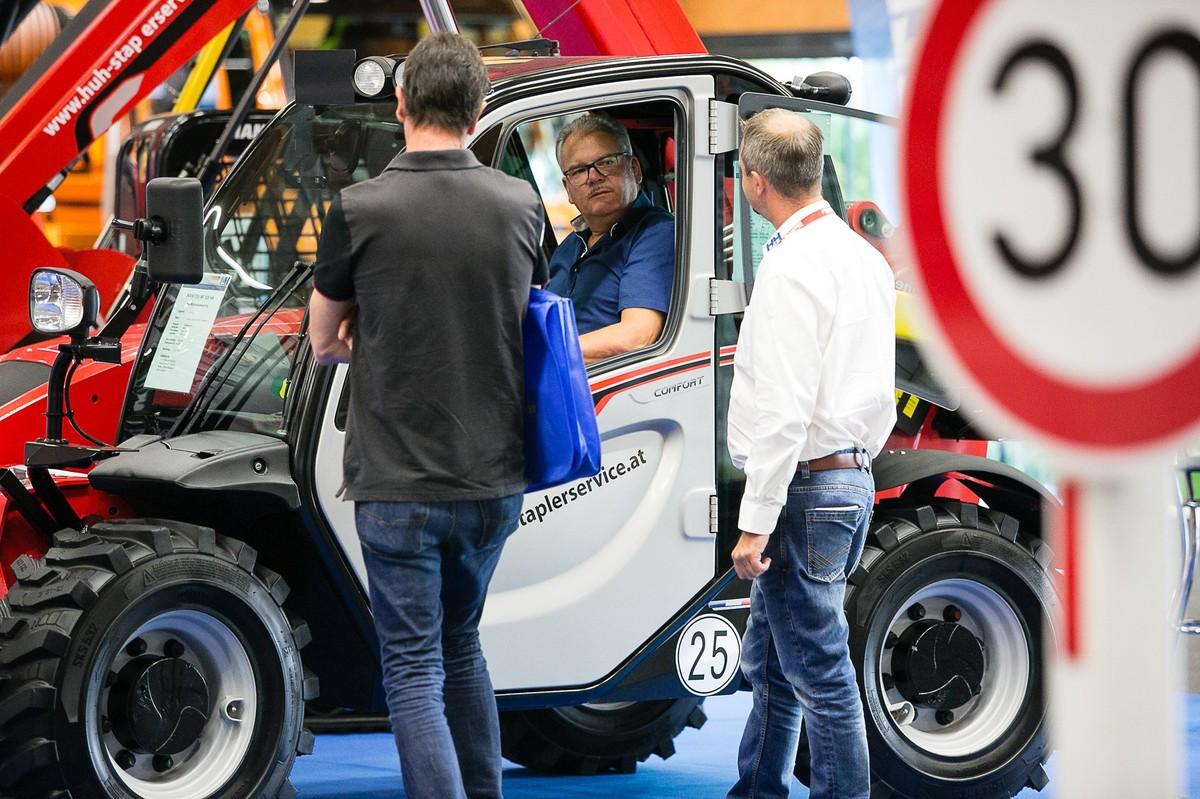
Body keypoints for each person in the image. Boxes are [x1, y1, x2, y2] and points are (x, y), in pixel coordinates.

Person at [307, 32, 547, 799]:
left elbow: (323, 340)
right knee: (462, 644)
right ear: (478, 111)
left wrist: (371, 336)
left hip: (397, 481)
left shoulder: (359, 208)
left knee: (412, 667)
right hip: (492, 480)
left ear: (401, 103)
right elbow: (531, 316)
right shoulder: (521, 205)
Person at [726, 109, 896, 799]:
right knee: (773, 662)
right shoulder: (864, 258)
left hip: (805, 489)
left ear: (755, 181)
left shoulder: (791, 266)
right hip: (848, 479)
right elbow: (878, 392)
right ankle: (757, 789)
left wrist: (755, 522)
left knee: (821, 673)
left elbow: (785, 411)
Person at [546, 113, 674, 362]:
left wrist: (542, 353)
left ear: (634, 169)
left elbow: (637, 337)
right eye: (578, 170)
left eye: (606, 162)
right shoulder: (567, 249)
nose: (593, 177)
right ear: (568, 189)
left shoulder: (655, 231)